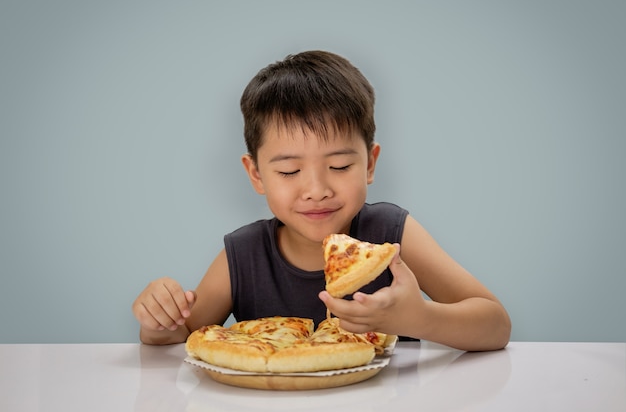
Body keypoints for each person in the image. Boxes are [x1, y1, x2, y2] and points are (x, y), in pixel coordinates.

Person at [132, 50, 511, 351]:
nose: (316, 189)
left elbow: (496, 324)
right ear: (256, 174)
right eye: (289, 172)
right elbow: (179, 335)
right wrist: (158, 319)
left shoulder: (390, 236)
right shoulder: (243, 254)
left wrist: (420, 318)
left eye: (340, 165)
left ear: (370, 164)